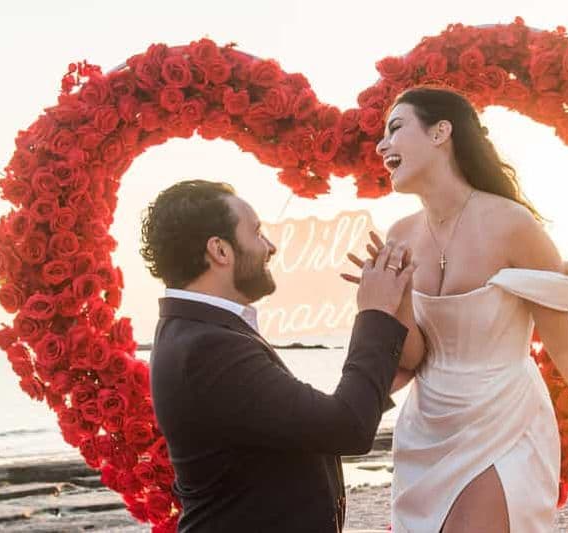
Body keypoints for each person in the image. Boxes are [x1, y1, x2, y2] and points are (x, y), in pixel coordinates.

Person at [344, 87, 568, 532]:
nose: (382, 145)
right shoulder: (400, 234)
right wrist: (396, 302)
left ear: (442, 132)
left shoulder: (513, 225)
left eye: (396, 127)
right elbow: (413, 357)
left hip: (505, 421)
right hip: (428, 430)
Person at [141, 179, 416, 532]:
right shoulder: (208, 346)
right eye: (257, 233)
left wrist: (375, 385)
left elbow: (297, 428)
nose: (270, 247)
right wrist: (374, 311)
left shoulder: (195, 332)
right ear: (219, 251)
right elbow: (347, 430)